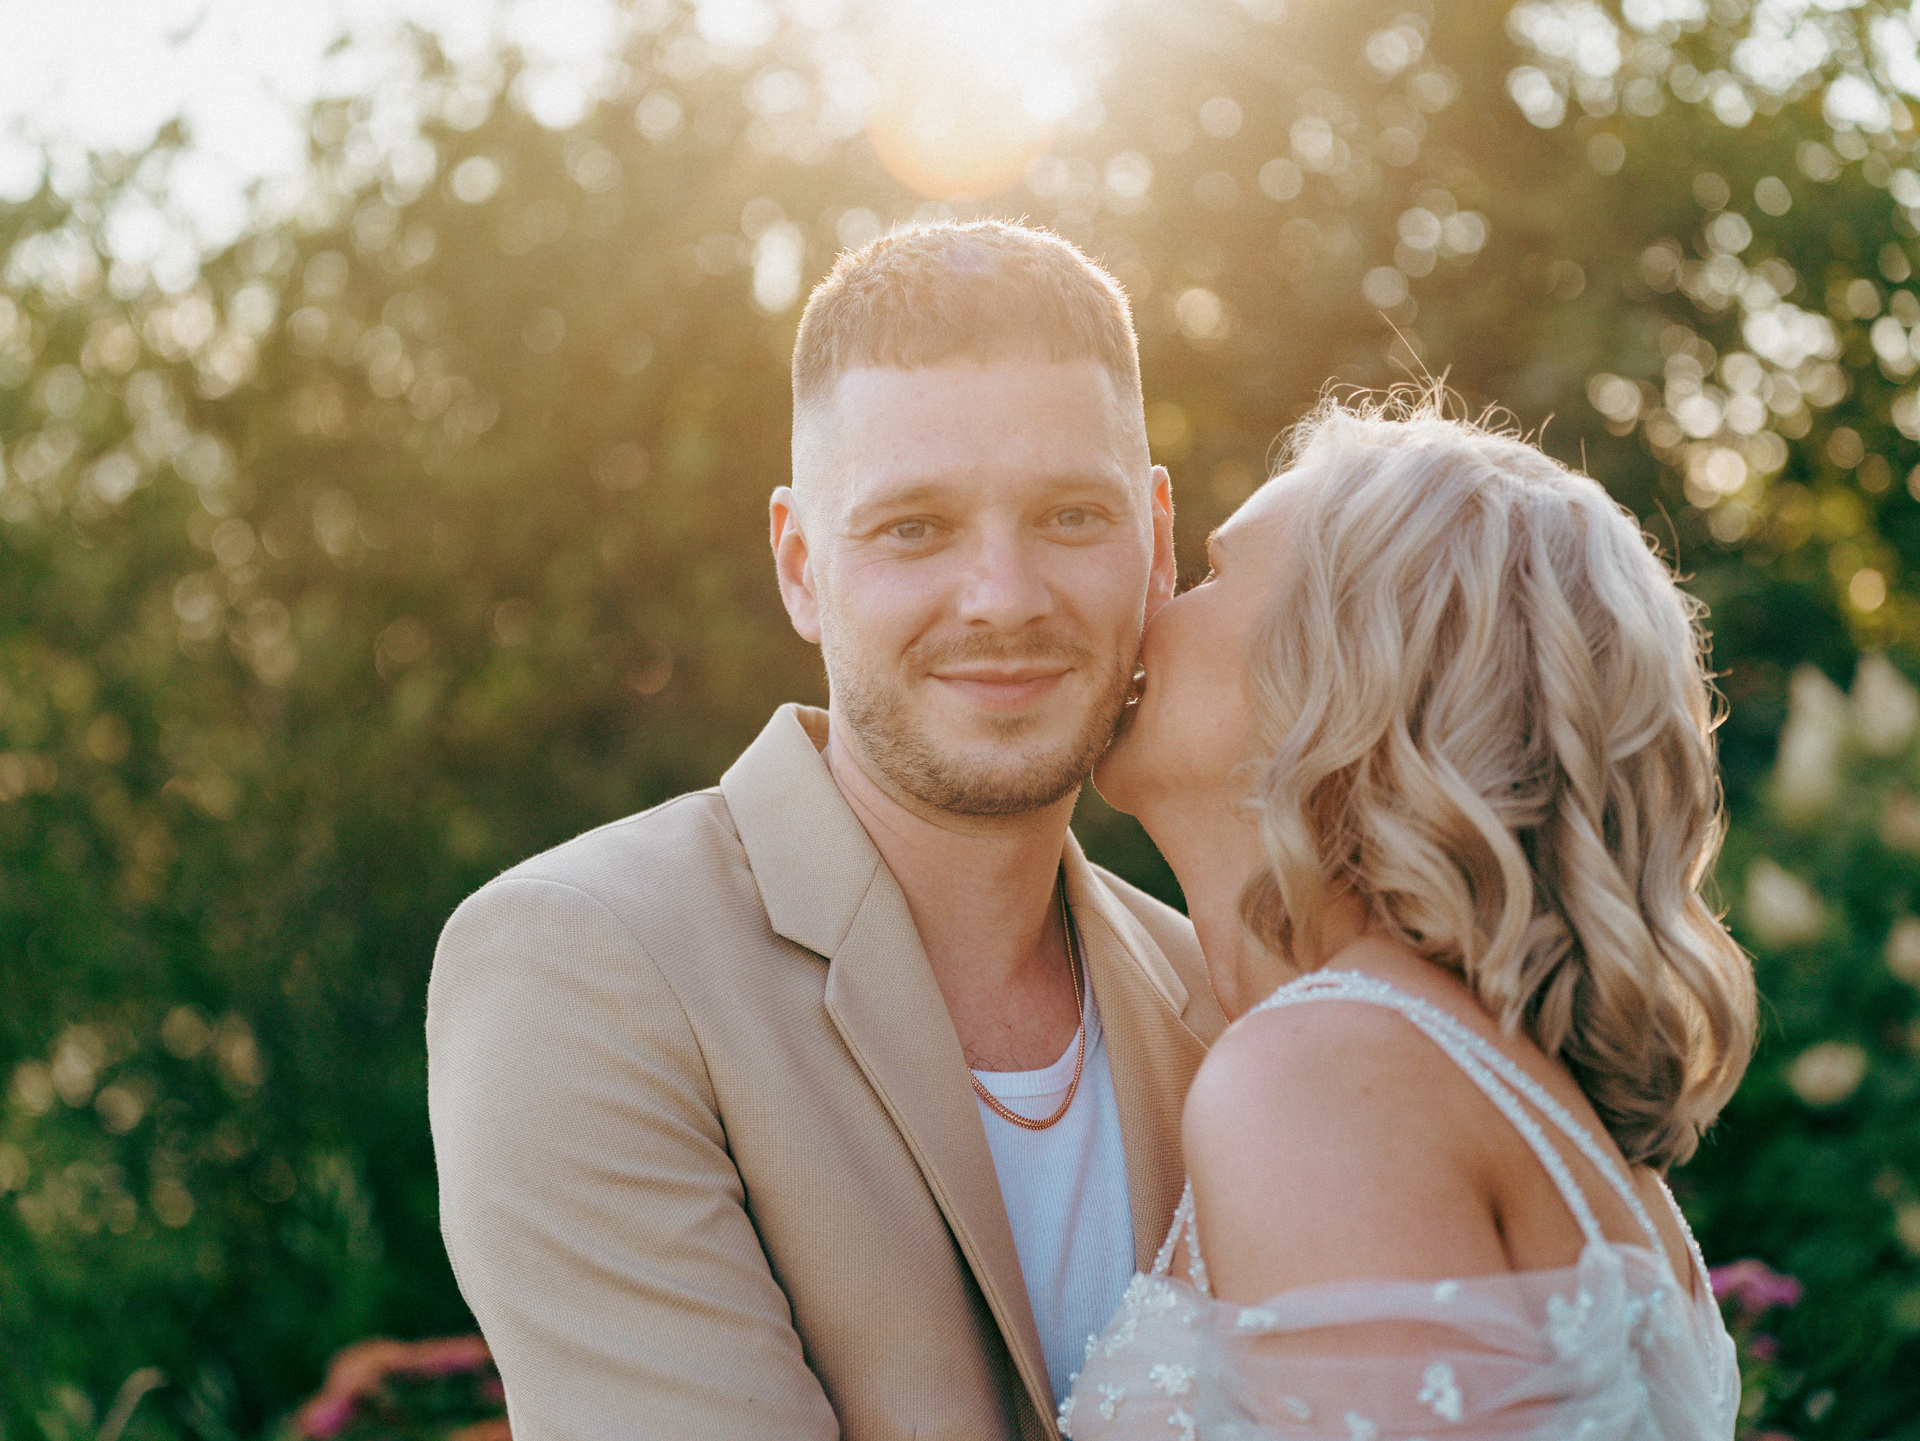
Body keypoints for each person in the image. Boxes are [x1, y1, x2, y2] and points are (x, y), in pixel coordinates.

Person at [426, 221, 1227, 1440]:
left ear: (1156, 545)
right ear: (801, 565)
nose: (1004, 598)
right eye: (914, 527)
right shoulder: (582, 963)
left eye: (1071, 516)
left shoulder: (1229, 999)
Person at [1063, 396, 1755, 1439]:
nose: (1147, 610)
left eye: (1208, 573)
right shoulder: (1539, 1122)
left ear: (1347, 670)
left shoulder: (1324, 1079)